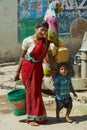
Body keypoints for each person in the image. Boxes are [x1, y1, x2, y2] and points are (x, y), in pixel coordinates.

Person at [14, 20, 51, 126]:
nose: (43, 33)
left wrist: (53, 71)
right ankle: (32, 118)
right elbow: (22, 57)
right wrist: (17, 72)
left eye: (45, 31)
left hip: (38, 69)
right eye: (42, 30)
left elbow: (50, 58)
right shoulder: (27, 41)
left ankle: (36, 116)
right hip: (27, 68)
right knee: (30, 92)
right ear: (36, 28)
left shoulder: (45, 43)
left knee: (36, 92)